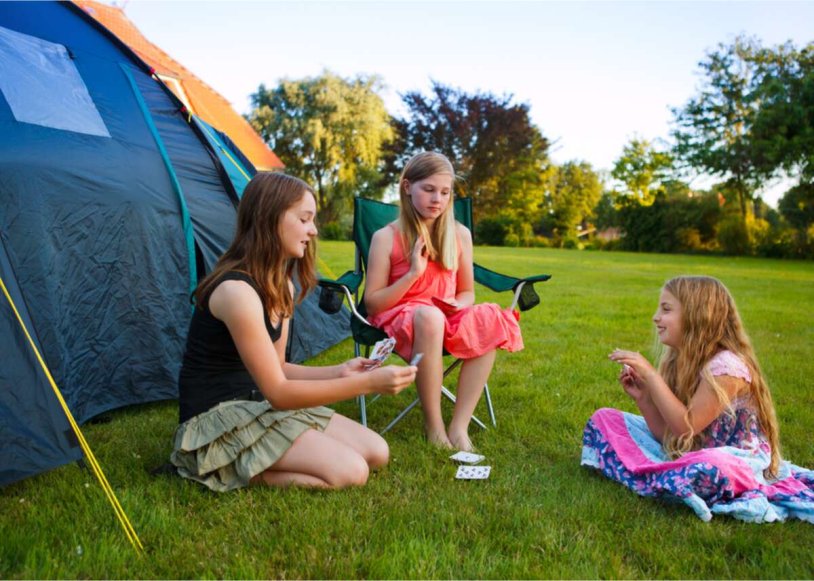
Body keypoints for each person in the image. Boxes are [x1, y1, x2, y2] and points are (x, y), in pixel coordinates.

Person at [170, 172, 417, 491]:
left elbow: (280, 368)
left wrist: (340, 372)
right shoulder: (236, 292)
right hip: (216, 420)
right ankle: (215, 464)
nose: (313, 230)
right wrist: (366, 384)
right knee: (351, 472)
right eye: (304, 219)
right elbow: (280, 392)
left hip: (258, 404)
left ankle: (249, 458)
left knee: (377, 452)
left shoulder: (281, 284)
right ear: (268, 218)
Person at [582, 275, 814, 523]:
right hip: (689, 453)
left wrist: (650, 376)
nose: (656, 317)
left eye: (666, 309)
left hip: (736, 463)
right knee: (604, 419)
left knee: (709, 466)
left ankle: (657, 476)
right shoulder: (675, 360)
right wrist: (645, 400)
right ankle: (668, 479)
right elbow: (672, 437)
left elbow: (687, 426)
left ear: (697, 315)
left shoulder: (727, 367)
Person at [364, 151, 523, 452]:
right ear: (407, 186)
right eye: (429, 189)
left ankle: (459, 425)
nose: (437, 199)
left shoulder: (459, 235)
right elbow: (373, 304)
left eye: (445, 192)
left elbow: (466, 293)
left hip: (444, 315)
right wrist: (412, 274)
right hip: (401, 318)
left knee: (488, 317)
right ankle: (434, 426)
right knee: (429, 317)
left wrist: (456, 308)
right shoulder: (386, 237)